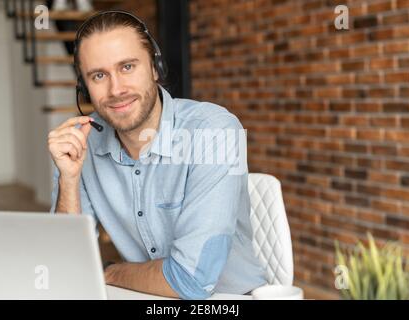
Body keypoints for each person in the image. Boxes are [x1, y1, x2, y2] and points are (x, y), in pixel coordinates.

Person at [48, 11, 267, 299]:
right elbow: (67, 266)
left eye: (127, 67)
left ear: (154, 67)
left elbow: (191, 281)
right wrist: (69, 178)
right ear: (84, 87)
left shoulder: (214, 131)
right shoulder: (80, 145)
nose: (116, 89)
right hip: (147, 296)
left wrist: (111, 272)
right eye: (99, 75)